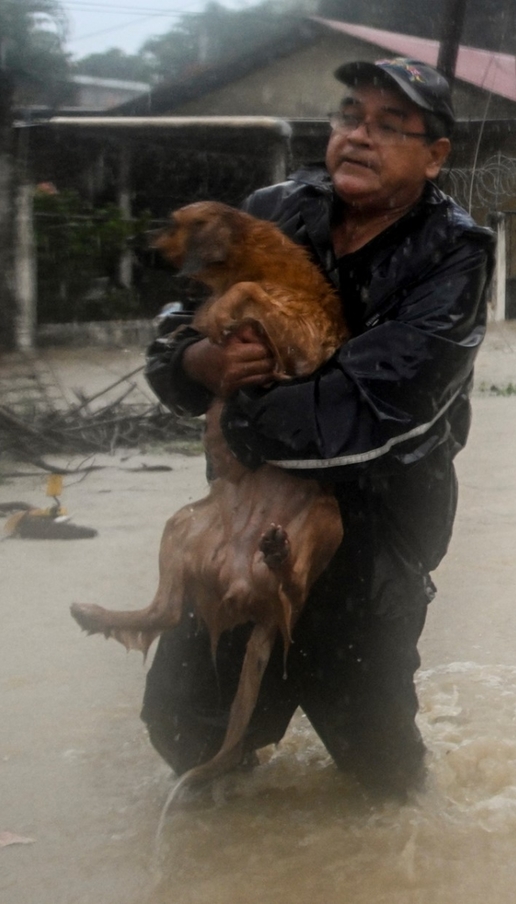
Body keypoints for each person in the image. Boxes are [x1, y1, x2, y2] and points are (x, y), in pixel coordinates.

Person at [142, 57, 495, 798]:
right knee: (186, 729)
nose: (360, 138)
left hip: (372, 529)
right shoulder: (276, 206)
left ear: (435, 156)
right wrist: (198, 362)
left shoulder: (454, 254)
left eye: (391, 127)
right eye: (349, 118)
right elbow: (181, 319)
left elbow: (374, 408)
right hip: (247, 519)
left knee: (379, 769)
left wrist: (237, 415)